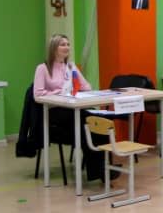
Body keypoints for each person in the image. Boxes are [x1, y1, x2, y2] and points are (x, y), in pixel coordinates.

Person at [33, 34, 114, 182]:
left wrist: (78, 90)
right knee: (85, 124)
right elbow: (37, 95)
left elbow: (87, 86)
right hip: (54, 112)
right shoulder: (43, 68)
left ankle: (104, 169)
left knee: (98, 121)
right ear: (54, 48)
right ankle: (98, 171)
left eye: (68, 44)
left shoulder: (70, 66)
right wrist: (60, 92)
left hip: (72, 108)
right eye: (62, 44)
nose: (67, 47)